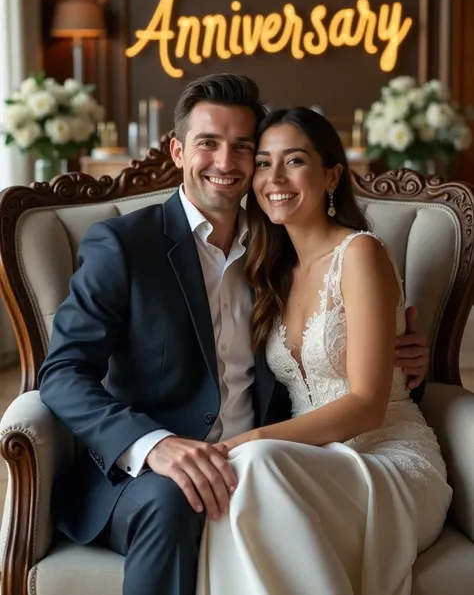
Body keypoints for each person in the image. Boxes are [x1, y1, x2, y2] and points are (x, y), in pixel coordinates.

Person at [39, 74, 431, 595]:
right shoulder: (124, 245)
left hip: (278, 460)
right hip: (155, 473)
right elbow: (63, 372)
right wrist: (153, 446)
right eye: (208, 143)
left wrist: (405, 361)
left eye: (244, 148)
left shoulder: (278, 252)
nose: (226, 162)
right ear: (178, 150)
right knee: (174, 498)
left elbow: (341, 370)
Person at [196, 106, 452, 595]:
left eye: (294, 161)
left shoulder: (360, 254)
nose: (275, 178)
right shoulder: (267, 273)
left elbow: (368, 404)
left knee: (250, 466)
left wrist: (248, 442)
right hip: (308, 469)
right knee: (237, 490)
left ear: (332, 174)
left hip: (389, 461)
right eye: (265, 163)